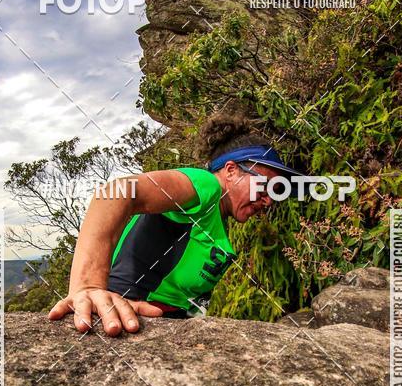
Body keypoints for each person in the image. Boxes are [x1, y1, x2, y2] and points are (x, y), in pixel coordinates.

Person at [49, 115, 296, 336]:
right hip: (125, 320)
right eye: (264, 186)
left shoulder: (215, 216)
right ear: (231, 170)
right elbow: (116, 191)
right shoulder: (206, 186)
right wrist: (88, 287)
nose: (268, 200)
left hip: (159, 327)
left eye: (276, 192)